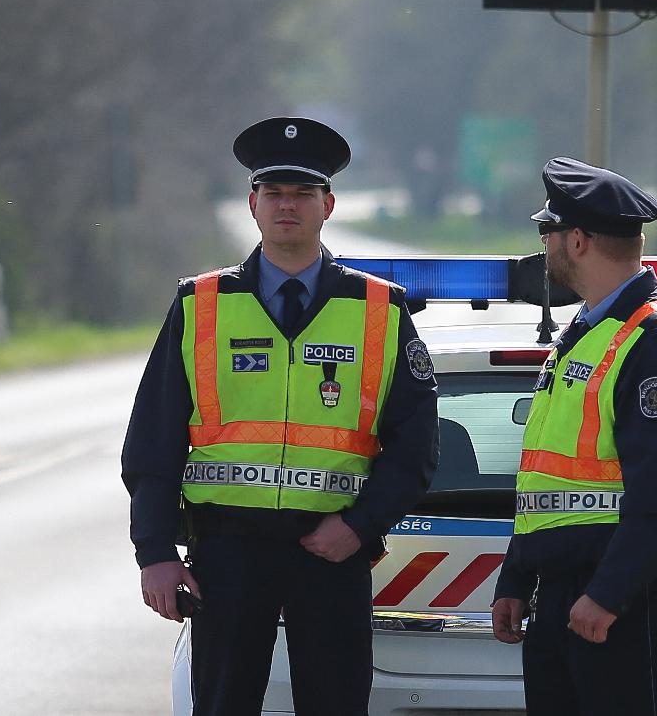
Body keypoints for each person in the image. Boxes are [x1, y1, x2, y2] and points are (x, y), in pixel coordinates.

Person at [122, 116, 439, 715]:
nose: (286, 206)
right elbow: (152, 442)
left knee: (336, 705)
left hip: (333, 549)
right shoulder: (200, 305)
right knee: (223, 705)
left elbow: (416, 445)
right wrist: (155, 552)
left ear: (328, 205)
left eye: (302, 195)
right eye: (274, 194)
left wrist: (361, 526)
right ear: (252, 204)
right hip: (226, 553)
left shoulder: (380, 309)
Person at [490, 157, 657, 715]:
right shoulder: (587, 332)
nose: (542, 249)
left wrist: (608, 593)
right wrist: (517, 576)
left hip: (630, 597)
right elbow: (544, 481)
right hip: (568, 590)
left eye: (546, 233)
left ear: (576, 242)